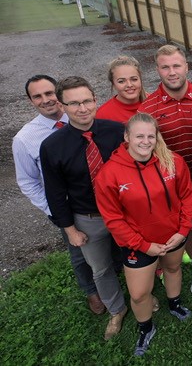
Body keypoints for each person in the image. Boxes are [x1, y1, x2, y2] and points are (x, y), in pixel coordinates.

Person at [95, 113, 192, 356]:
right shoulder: (109, 174)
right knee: (140, 293)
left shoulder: (172, 161)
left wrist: (183, 231)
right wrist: (143, 245)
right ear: (127, 137)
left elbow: (187, 198)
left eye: (151, 136)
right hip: (137, 244)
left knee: (173, 269)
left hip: (173, 236)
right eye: (139, 136)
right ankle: (146, 327)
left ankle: (175, 304)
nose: (145, 141)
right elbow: (113, 219)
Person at [40, 76, 128, 341]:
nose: (82, 108)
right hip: (88, 218)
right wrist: (70, 230)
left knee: (133, 259)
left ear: (95, 100)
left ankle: (140, 297)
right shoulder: (52, 146)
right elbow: (55, 193)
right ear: (63, 106)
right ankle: (117, 309)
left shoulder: (117, 131)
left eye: (87, 101)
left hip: (125, 213)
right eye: (74, 103)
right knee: (100, 269)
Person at [12, 74, 104, 315]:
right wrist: (54, 211)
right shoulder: (24, 139)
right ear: (31, 101)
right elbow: (28, 181)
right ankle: (92, 292)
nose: (46, 100)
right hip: (65, 207)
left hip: (99, 199)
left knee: (105, 245)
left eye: (49, 93)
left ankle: (111, 277)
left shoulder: (85, 117)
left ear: (61, 95)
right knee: (78, 251)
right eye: (37, 96)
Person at [139, 45, 192, 296]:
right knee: (188, 227)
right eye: (165, 67)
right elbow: (148, 153)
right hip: (173, 186)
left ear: (187, 67)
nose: (172, 72)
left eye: (176, 66)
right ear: (157, 70)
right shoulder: (148, 109)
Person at [96, 55, 147, 123]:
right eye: (121, 81)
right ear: (113, 84)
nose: (129, 85)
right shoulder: (103, 115)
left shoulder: (154, 102)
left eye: (134, 79)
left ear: (140, 79)